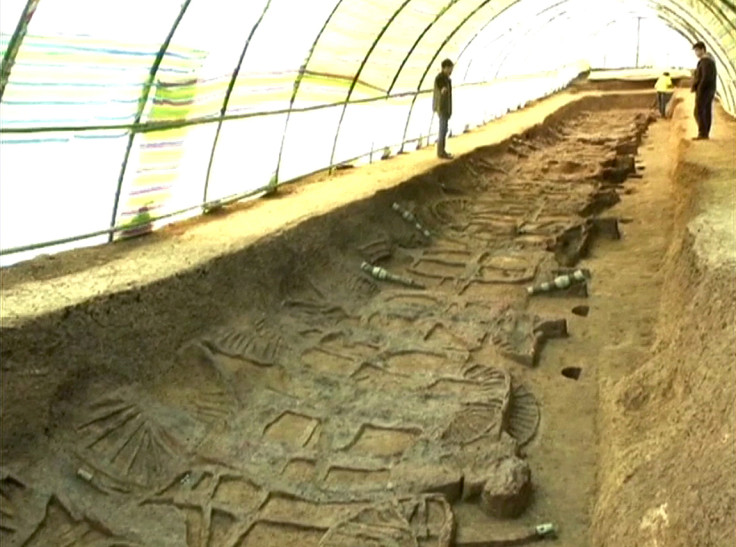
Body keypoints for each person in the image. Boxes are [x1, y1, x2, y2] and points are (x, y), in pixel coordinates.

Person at [690, 41, 717, 140]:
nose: (696, 53)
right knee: (705, 111)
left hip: (705, 90)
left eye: (697, 50)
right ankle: (705, 132)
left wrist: (699, 89)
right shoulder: (708, 61)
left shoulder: (706, 61)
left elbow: (705, 77)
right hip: (708, 90)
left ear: (703, 50)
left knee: (698, 111)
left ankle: (703, 133)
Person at [433, 59, 454, 159]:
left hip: (445, 108)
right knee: (442, 129)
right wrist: (443, 89)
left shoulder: (446, 79)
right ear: (445, 68)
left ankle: (442, 150)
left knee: (444, 129)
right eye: (450, 68)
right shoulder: (440, 78)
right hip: (442, 107)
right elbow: (442, 88)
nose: (451, 71)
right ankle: (440, 152)